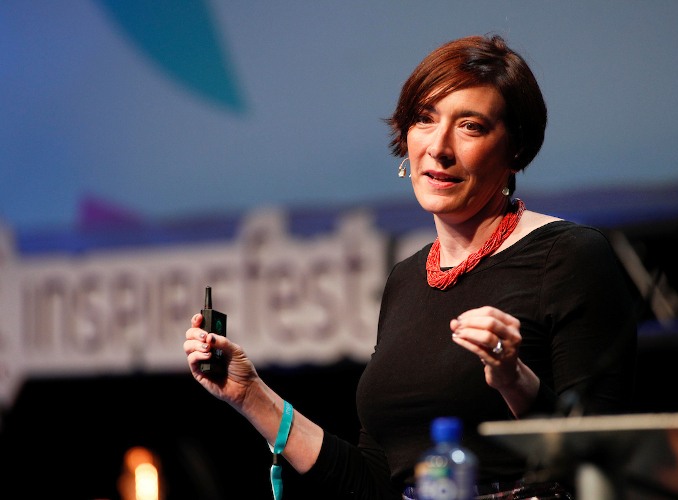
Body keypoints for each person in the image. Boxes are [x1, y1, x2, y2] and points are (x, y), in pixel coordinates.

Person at [184, 34, 638, 499]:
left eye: (471, 126)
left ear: (516, 150)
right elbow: (374, 482)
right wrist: (249, 395)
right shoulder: (405, 278)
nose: (438, 147)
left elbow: (599, 463)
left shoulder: (570, 256)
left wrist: (512, 378)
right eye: (425, 119)